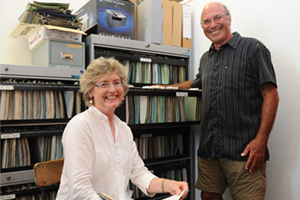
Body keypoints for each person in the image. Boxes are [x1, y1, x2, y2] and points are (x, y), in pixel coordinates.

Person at [157, 2, 279, 200]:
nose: (212, 24)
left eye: (217, 18)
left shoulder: (253, 48)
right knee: (208, 196)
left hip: (244, 150)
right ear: (203, 27)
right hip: (209, 149)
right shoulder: (206, 57)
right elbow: (196, 84)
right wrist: (163, 88)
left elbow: (271, 95)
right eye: (206, 21)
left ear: (228, 18)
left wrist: (261, 141)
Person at [56, 57, 189, 200]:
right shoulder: (80, 126)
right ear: (90, 91)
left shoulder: (123, 129)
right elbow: (80, 189)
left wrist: (168, 185)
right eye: (104, 84)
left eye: (116, 83)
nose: (112, 89)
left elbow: (139, 173)